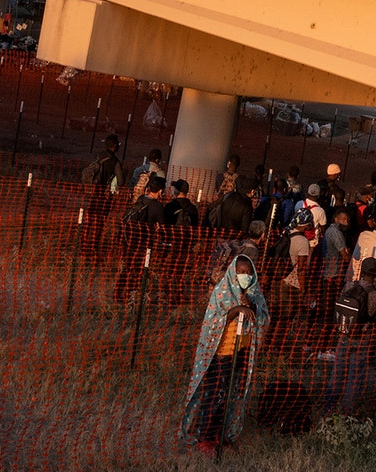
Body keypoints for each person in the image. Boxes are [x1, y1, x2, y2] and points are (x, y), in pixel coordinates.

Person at [180, 255, 269, 456]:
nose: (245, 275)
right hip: (221, 353)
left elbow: (262, 316)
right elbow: (213, 319)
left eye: (249, 272)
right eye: (241, 271)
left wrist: (250, 306)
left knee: (230, 394)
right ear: (232, 272)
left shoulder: (254, 292)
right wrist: (236, 309)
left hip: (242, 351)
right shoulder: (222, 291)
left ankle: (220, 434)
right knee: (214, 394)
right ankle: (205, 437)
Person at [323, 257, 376, 416]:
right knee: (354, 378)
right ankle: (346, 413)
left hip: (344, 335)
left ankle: (328, 409)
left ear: (361, 270)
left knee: (337, 373)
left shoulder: (349, 285)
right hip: (363, 339)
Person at [114, 176, 165, 303]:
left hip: (129, 239)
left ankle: (118, 293)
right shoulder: (157, 206)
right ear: (160, 191)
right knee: (138, 270)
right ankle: (130, 295)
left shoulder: (141, 199)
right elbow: (164, 227)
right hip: (142, 243)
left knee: (127, 268)